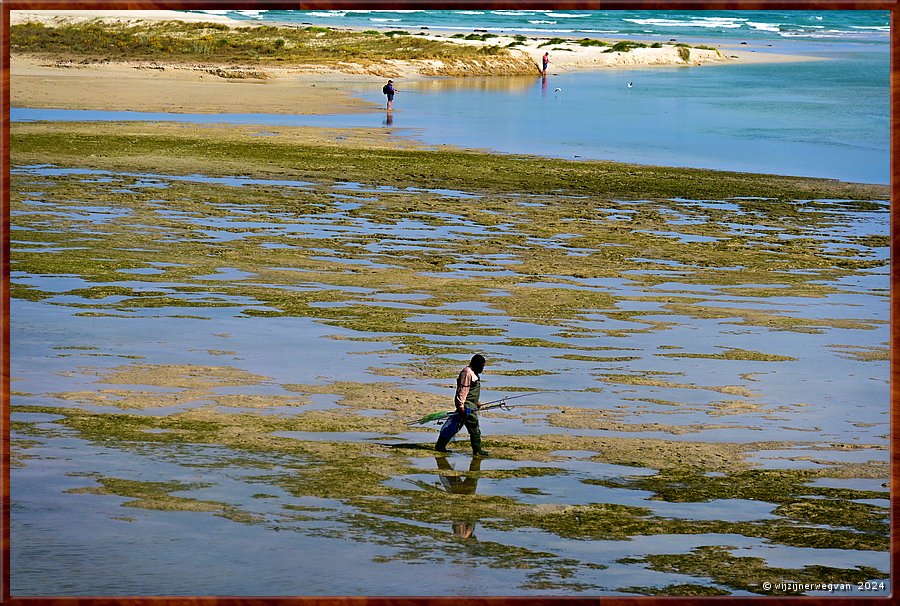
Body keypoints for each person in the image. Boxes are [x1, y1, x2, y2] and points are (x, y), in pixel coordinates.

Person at [435, 354, 489, 456]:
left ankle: (440, 445)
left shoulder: (475, 373)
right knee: (473, 426)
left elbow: (471, 391)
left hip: (471, 405)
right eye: (482, 366)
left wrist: (476, 402)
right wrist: (460, 405)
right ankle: (477, 450)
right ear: (476, 364)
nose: (483, 368)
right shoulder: (467, 372)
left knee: (455, 425)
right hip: (466, 406)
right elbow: (463, 389)